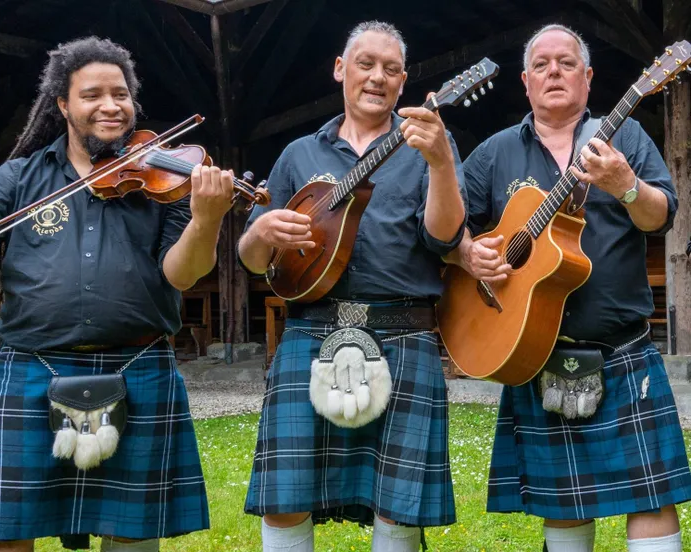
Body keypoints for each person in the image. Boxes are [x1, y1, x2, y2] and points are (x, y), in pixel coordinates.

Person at [0, 36, 236, 552]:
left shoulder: (164, 176)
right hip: (31, 369)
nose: (110, 105)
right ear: (63, 105)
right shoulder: (21, 176)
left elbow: (183, 274)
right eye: (92, 95)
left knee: (131, 538)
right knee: (3, 538)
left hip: (137, 366)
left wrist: (206, 219)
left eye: (121, 94)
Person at [451, 24, 691, 552]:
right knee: (563, 506)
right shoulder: (495, 153)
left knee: (651, 498)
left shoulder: (623, 137)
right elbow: (443, 225)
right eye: (541, 64)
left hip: (622, 351)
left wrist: (625, 185)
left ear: (588, 78)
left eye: (565, 63)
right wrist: (468, 254)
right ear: (525, 81)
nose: (553, 72)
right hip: (537, 354)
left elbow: (661, 217)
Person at [237, 20, 466, 552]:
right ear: (341, 69)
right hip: (310, 333)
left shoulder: (429, 142)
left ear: (404, 81)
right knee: (284, 497)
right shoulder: (299, 155)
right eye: (365, 64)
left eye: (390, 69)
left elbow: (445, 236)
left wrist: (440, 161)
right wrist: (260, 232)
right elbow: (255, 262)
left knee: (399, 502)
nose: (376, 77)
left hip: (403, 333)